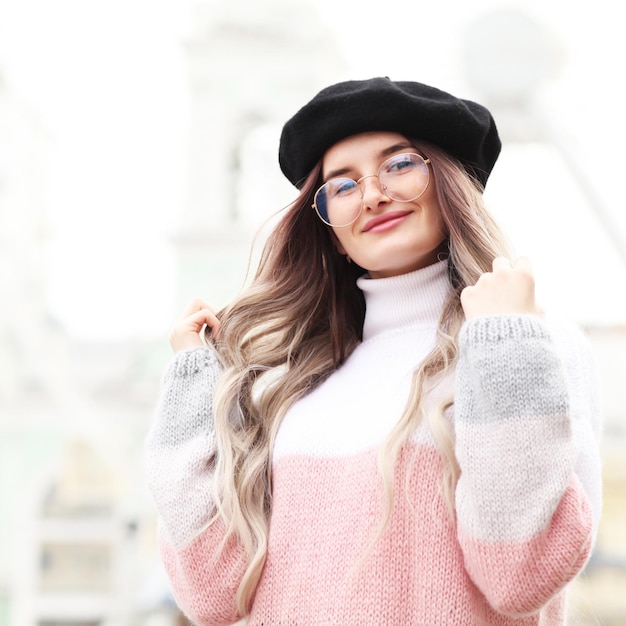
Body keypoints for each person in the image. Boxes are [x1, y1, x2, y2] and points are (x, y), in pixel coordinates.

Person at [145, 77, 603, 625]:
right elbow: (209, 595)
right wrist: (193, 383)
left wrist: (507, 342)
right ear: (333, 233)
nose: (372, 195)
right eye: (342, 186)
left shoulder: (531, 350)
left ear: (449, 184)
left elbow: (520, 577)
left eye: (399, 165)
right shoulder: (287, 388)